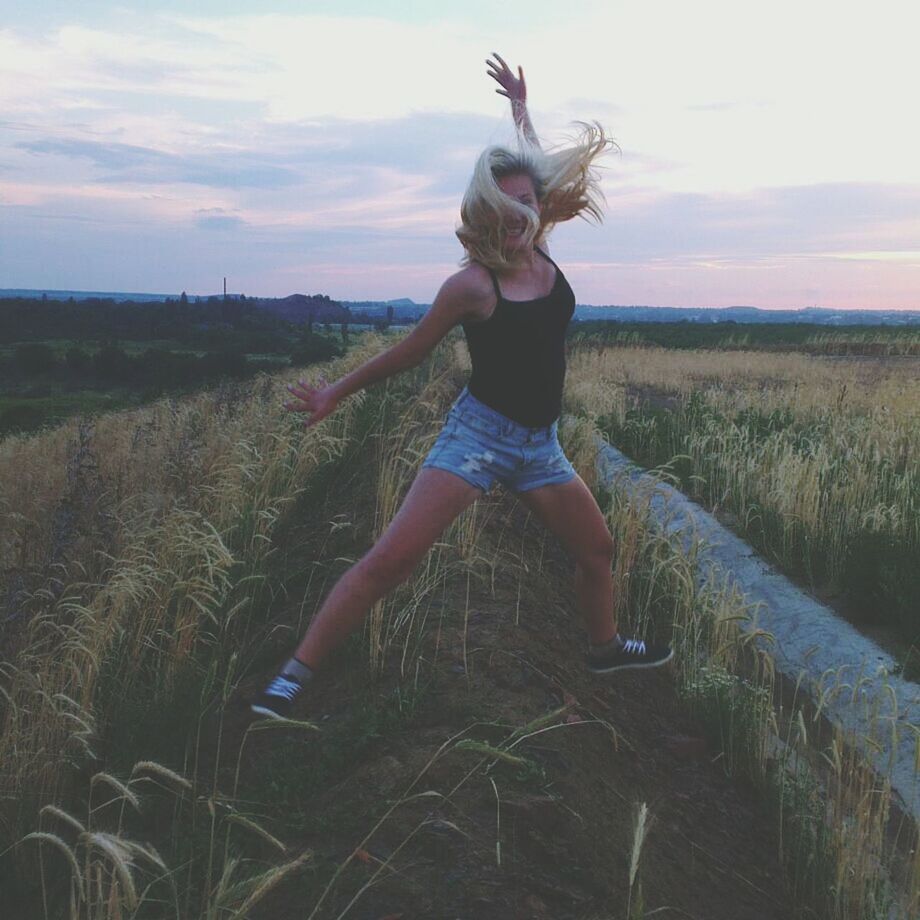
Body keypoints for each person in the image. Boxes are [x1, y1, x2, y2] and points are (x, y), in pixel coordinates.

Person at [251, 53, 673, 720]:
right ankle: (293, 676)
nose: (518, 216)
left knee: (597, 548)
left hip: (541, 447)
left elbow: (537, 170)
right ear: (484, 213)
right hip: (477, 439)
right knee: (390, 562)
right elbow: (412, 351)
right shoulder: (473, 285)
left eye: (527, 204)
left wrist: (520, 109)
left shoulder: (543, 253)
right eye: (504, 208)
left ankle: (603, 646)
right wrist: (336, 392)